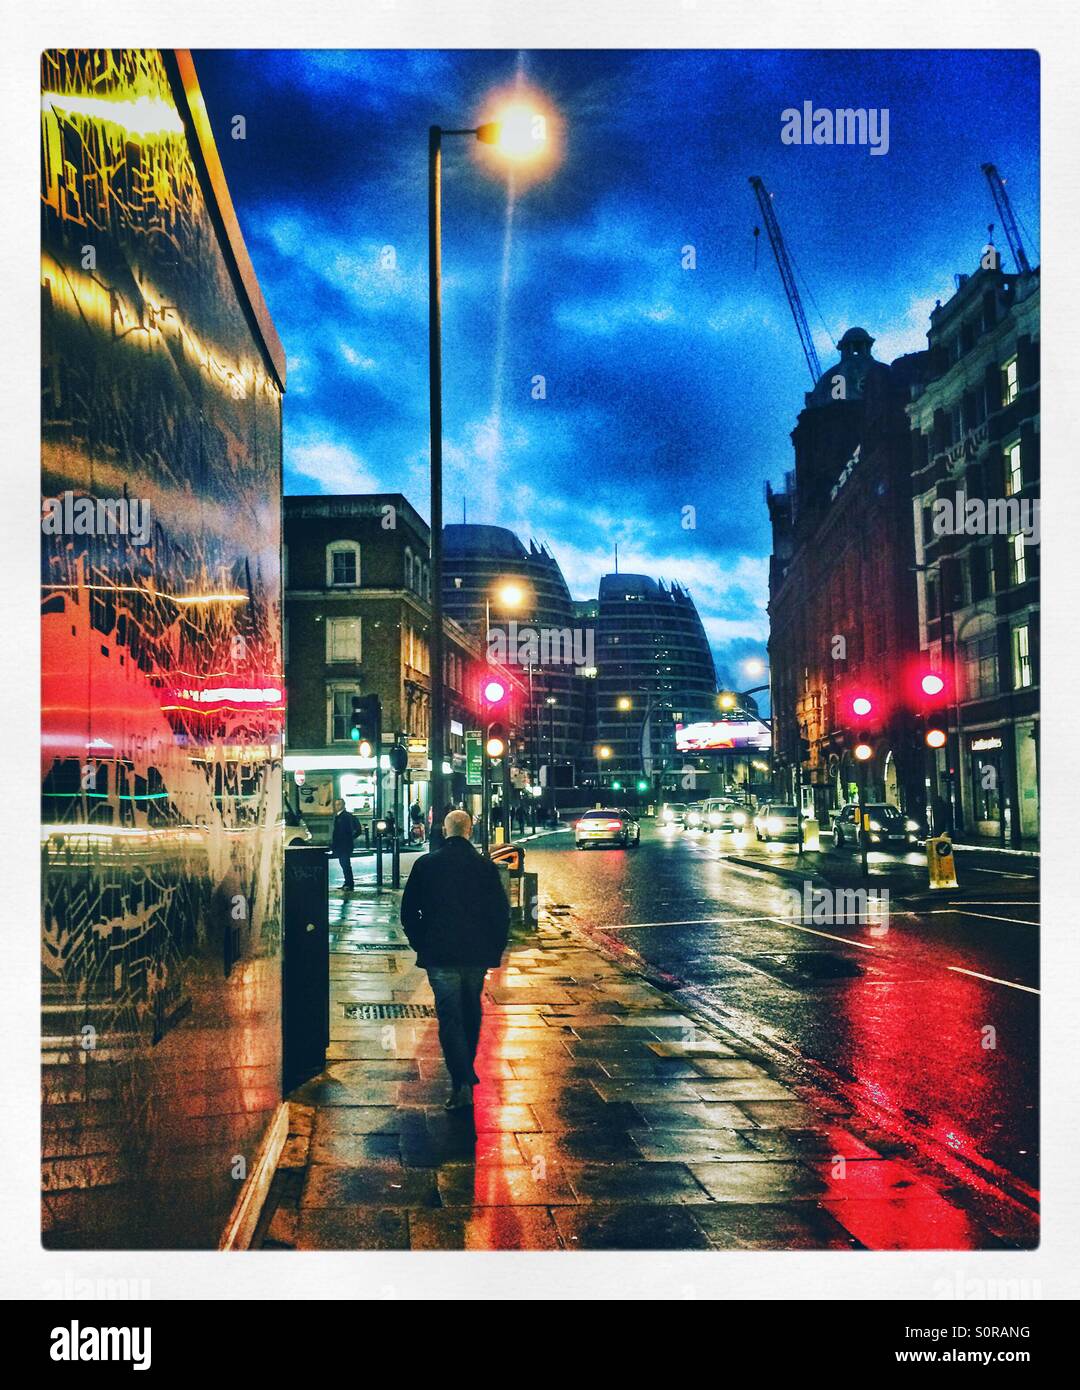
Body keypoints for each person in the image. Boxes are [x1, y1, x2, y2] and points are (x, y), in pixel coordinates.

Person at [400, 809, 510, 1110]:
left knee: (450, 1017)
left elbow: (409, 912)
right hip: (476, 955)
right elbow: (501, 914)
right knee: (471, 1011)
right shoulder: (485, 868)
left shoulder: (426, 865)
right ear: (469, 831)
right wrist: (494, 949)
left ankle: (460, 1078)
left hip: (440, 954)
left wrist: (420, 942)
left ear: (445, 830)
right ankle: (464, 1074)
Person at [330, 798, 360, 891]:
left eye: (339, 804)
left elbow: (357, 829)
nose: (337, 806)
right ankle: (347, 883)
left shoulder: (346, 816)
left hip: (344, 845)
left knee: (345, 865)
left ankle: (349, 884)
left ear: (343, 805)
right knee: (344, 864)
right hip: (343, 845)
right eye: (336, 804)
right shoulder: (340, 816)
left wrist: (349, 838)